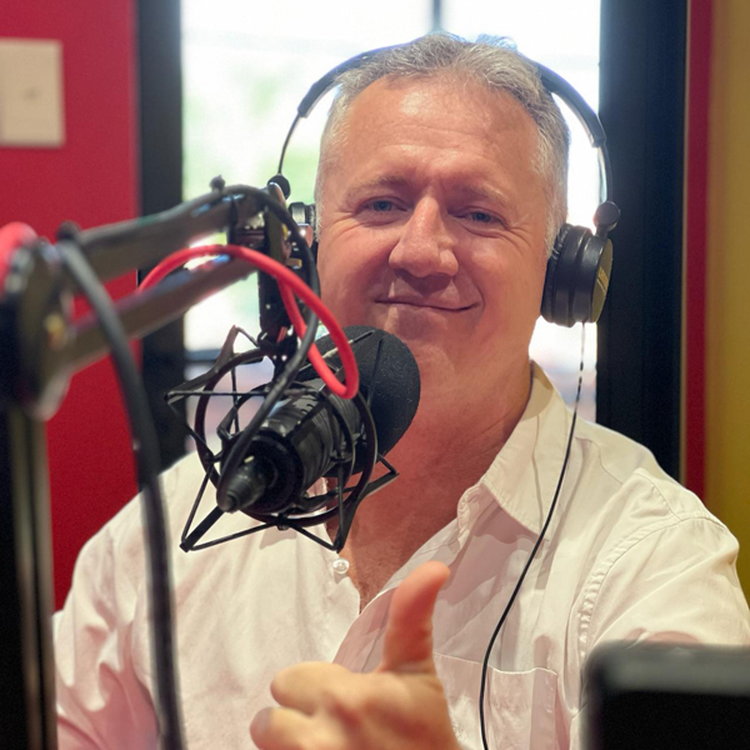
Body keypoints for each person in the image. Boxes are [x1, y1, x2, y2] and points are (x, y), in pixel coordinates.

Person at [54, 34, 750, 749]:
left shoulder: (652, 565)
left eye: (479, 214)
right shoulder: (180, 523)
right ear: (306, 243)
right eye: (382, 203)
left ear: (562, 272)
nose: (420, 252)